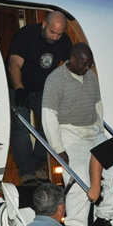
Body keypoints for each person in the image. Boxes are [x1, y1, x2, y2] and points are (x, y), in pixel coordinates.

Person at [42, 42, 113, 226]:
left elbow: (97, 105)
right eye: (84, 64)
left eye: (90, 64)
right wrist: (58, 149)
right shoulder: (55, 80)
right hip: (69, 133)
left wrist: (100, 131)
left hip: (93, 132)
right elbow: (48, 116)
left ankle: (104, 218)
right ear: (72, 59)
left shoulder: (91, 75)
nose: (87, 68)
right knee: (80, 177)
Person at [9, 11, 73, 185]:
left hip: (44, 90)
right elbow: (14, 64)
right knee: (21, 129)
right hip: (19, 87)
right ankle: (27, 172)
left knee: (49, 127)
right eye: (52, 32)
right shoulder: (26, 35)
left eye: (59, 34)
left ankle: (38, 166)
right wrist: (19, 88)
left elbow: (71, 66)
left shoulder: (64, 41)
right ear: (44, 25)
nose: (55, 37)